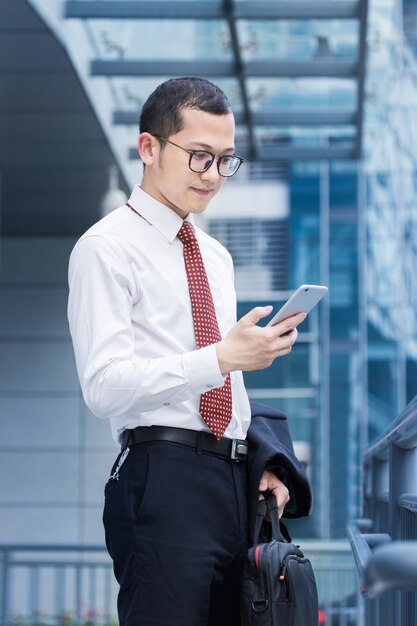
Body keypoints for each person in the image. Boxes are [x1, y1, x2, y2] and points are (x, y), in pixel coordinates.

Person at [67, 77, 311, 626]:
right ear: (148, 148)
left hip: (232, 482)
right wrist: (222, 358)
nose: (213, 176)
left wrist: (261, 463)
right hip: (161, 476)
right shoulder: (105, 249)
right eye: (199, 156)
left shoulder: (215, 256)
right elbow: (104, 386)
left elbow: (225, 383)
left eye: (226, 160)